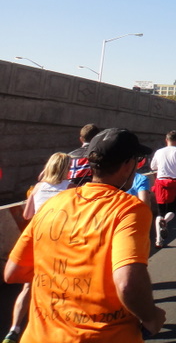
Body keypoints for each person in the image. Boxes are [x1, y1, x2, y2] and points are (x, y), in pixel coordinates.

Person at [4, 128, 166, 340]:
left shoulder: (53, 203)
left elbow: (12, 273)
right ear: (128, 165)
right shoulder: (129, 209)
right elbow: (127, 282)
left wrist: (64, 277)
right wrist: (151, 317)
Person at [4, 153, 71, 343]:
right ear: (66, 168)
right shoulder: (70, 188)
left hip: (39, 241)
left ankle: (14, 330)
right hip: (61, 243)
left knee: (28, 286)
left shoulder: (38, 187)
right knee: (61, 286)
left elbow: (27, 215)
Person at [150, 130, 176, 248]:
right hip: (174, 182)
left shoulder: (159, 152)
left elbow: (152, 166)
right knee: (171, 209)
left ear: (166, 140)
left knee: (160, 211)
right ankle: (166, 222)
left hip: (161, 182)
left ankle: (158, 240)